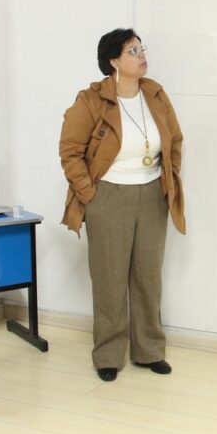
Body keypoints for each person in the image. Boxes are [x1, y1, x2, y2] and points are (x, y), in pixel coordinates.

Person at [59, 28, 185, 381]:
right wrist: (90, 194)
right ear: (113, 61)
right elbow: (70, 152)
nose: (142, 55)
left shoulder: (155, 93)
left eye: (141, 48)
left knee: (148, 276)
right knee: (109, 279)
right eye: (133, 50)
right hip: (108, 196)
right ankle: (109, 356)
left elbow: (174, 140)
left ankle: (149, 351)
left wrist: (168, 179)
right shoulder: (91, 100)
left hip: (152, 195)